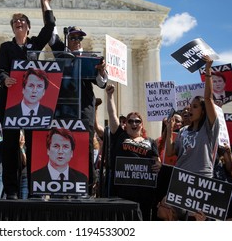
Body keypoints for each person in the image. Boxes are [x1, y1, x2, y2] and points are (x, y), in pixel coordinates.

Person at [0, 0, 56, 200]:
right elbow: (0, 70)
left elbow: (48, 29)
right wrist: (5, 79)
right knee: (10, 146)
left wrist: (44, 4)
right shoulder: (6, 47)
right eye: (15, 22)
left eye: (22, 21)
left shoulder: (34, 45)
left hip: (33, 101)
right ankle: (11, 191)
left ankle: (34, 190)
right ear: (13, 28)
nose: (18, 23)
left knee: (34, 145)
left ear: (28, 27)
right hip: (10, 100)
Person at [49, 24, 108, 195]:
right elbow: (52, 35)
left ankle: (87, 189)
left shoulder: (90, 58)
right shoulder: (61, 56)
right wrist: (46, 6)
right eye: (73, 38)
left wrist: (102, 72)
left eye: (79, 38)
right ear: (67, 39)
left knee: (85, 147)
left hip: (83, 111)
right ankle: (58, 188)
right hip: (63, 111)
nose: (76, 41)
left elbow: (102, 83)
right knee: (61, 145)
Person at [105, 84, 161, 220]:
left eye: (137, 121)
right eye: (130, 121)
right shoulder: (120, 136)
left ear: (142, 124)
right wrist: (110, 95)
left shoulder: (151, 142)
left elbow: (157, 160)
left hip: (144, 193)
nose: (134, 123)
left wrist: (158, 165)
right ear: (126, 124)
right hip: (121, 191)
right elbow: (112, 115)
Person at [166, 54, 219, 178]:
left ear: (203, 111)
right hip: (181, 176)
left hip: (202, 177)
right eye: (190, 106)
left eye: (195, 107)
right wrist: (169, 129)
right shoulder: (183, 130)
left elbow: (208, 98)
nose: (190, 109)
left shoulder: (209, 128)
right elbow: (169, 152)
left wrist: (207, 70)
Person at [31, 128, 88, 195]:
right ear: (48, 150)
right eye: (56, 146)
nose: (60, 152)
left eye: (65, 147)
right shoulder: (35, 177)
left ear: (71, 153)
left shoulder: (81, 178)